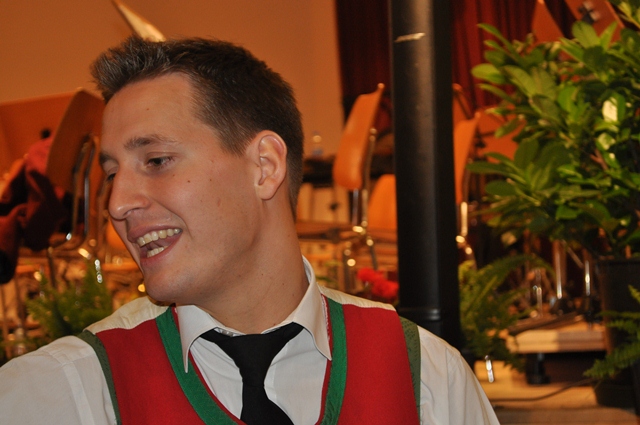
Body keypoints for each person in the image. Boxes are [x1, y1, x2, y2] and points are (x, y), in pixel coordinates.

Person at [0, 36, 499, 424]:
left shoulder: (426, 379)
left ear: (264, 166)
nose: (118, 204)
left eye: (156, 160)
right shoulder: (59, 393)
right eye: (112, 174)